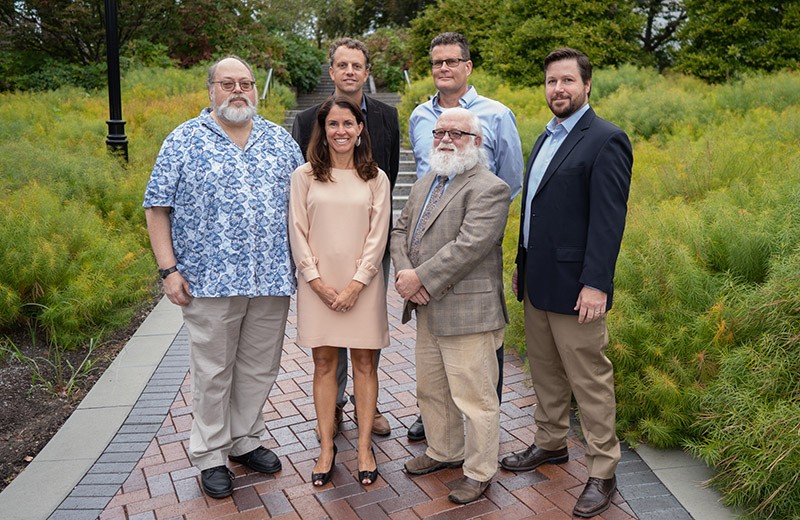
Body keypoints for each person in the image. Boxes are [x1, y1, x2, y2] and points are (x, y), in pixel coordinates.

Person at [143, 55, 303, 499]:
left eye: (247, 83)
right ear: (210, 90)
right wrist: (168, 270)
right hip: (208, 281)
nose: (239, 90)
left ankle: (245, 439)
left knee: (259, 366)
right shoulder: (183, 140)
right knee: (213, 371)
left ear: (257, 89)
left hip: (270, 277)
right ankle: (211, 453)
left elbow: (304, 205)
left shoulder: (279, 140)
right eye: (228, 83)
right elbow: (157, 208)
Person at [500, 48, 633, 518]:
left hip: (579, 289)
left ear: (587, 86)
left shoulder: (605, 139)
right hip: (538, 281)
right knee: (545, 372)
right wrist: (522, 259)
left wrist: (596, 283)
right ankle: (551, 443)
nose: (558, 89)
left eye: (567, 81)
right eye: (551, 81)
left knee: (590, 379)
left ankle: (602, 470)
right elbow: (535, 209)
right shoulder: (544, 138)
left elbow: (608, 220)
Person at [405, 31, 523, 442]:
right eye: (437, 62)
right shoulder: (420, 116)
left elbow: (509, 179)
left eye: (452, 61)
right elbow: (425, 175)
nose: (443, 69)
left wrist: (479, 219)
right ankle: (438, 425)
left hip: (473, 242)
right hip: (426, 247)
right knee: (434, 350)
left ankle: (480, 432)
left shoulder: (496, 114)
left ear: (468, 67)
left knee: (477, 347)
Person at [392, 108, 511, 504]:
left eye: (456, 133)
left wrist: (419, 277)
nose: (445, 139)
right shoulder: (428, 180)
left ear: (476, 142)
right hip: (428, 307)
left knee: (474, 398)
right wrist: (408, 275)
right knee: (432, 389)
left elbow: (470, 247)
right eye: (440, 131)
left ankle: (479, 471)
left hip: (468, 312)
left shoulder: (489, 187)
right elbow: (400, 228)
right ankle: (444, 451)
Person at [292, 38, 399, 438]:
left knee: (365, 340)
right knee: (327, 346)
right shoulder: (306, 121)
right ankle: (332, 407)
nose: (350, 72)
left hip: (368, 244)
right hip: (323, 249)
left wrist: (370, 258)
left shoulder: (387, 116)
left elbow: (386, 170)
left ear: (366, 72)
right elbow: (303, 188)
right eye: (342, 65)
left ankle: (366, 407)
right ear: (332, 72)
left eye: (357, 65)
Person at [289, 96, 391, 487]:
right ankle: (327, 447)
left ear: (360, 128)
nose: (341, 131)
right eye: (333, 124)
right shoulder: (304, 177)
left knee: (365, 365)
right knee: (324, 365)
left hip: (361, 287)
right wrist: (314, 281)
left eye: (348, 124)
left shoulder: (375, 178)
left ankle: (365, 447)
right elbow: (297, 232)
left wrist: (356, 284)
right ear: (323, 130)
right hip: (318, 288)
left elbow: (377, 237)